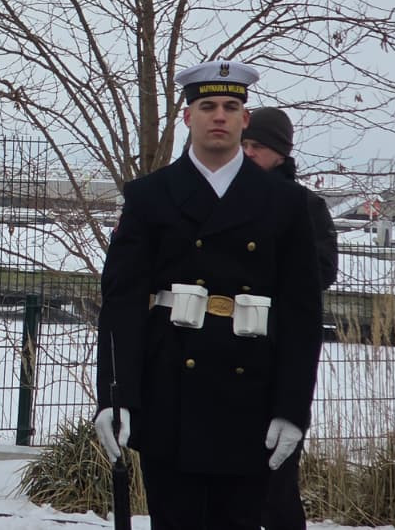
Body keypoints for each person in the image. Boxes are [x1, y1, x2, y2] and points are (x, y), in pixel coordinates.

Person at [94, 61, 323, 530]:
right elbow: (122, 303)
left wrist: (292, 407)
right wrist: (116, 396)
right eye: (207, 106)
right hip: (170, 393)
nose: (219, 115)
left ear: (245, 119)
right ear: (187, 117)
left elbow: (301, 313)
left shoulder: (285, 203)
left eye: (231, 107)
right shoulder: (150, 196)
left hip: (251, 397)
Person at [243, 106, 339, 530]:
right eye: (244, 144)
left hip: (278, 355)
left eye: (257, 146)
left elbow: (322, 271)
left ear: (280, 153)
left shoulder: (306, 206)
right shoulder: (226, 199)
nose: (248, 152)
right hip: (227, 358)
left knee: (276, 487)